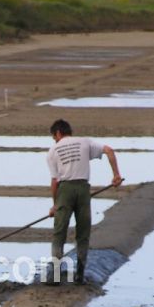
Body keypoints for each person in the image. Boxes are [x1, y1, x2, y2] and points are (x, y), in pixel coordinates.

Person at [46, 119, 123, 284]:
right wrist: (116, 175)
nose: (55, 140)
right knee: (83, 234)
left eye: (54, 137)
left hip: (65, 190)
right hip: (82, 190)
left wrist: (55, 205)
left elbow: (55, 182)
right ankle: (80, 276)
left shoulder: (53, 150)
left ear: (58, 133)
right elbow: (109, 150)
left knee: (59, 233)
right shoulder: (85, 142)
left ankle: (56, 277)